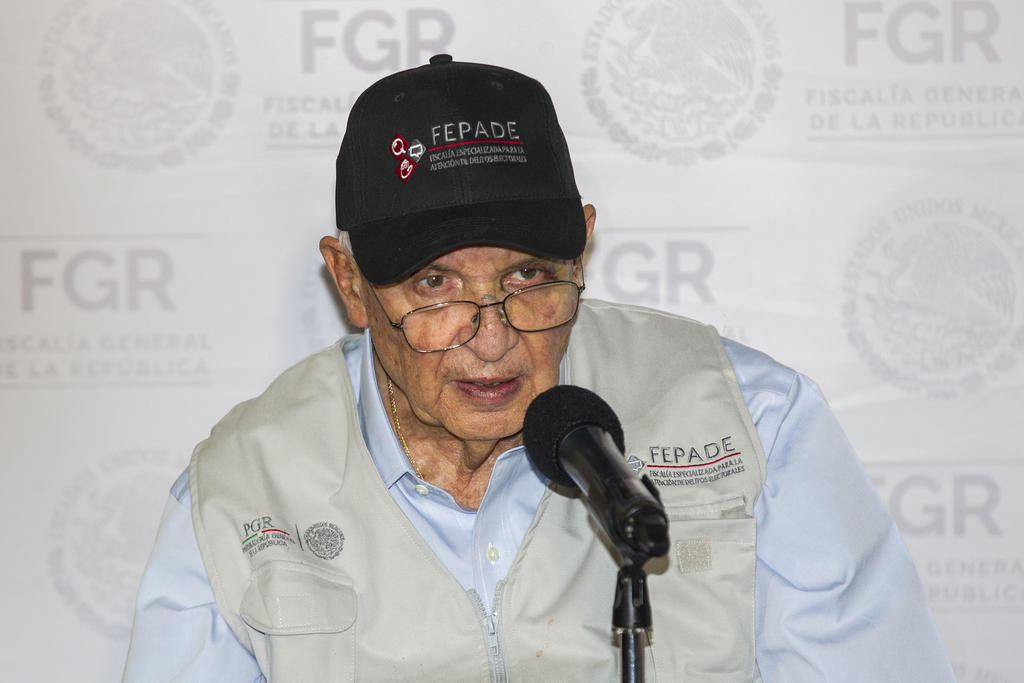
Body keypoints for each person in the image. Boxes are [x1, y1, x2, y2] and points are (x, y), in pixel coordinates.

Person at [123, 54, 955, 682]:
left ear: (582, 244)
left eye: (528, 275)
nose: (492, 339)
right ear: (348, 281)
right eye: (435, 284)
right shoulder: (240, 488)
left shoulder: (752, 422)